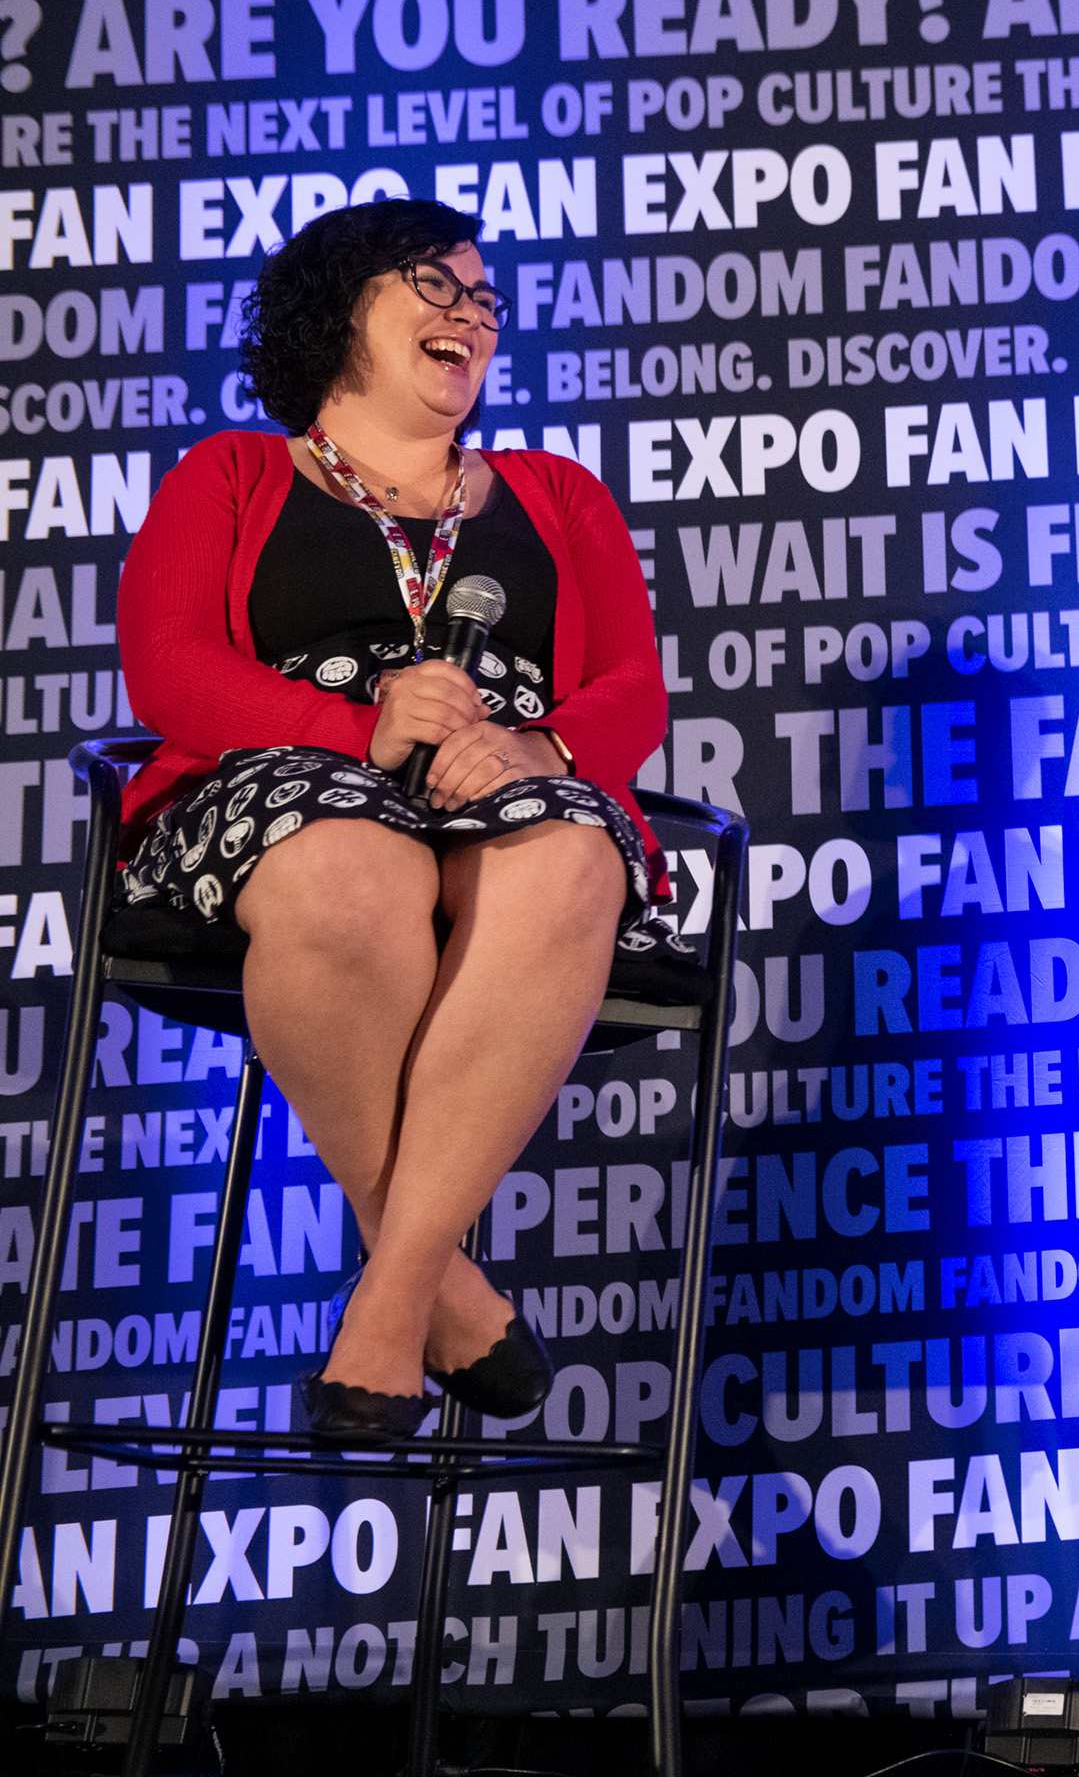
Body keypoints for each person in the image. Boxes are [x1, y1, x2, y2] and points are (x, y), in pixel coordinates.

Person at [116, 199, 681, 1442]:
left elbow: (633, 685)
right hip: (287, 782)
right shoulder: (232, 473)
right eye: (432, 284)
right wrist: (354, 728)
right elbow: (163, 667)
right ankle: (438, 1288)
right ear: (339, 312)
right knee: (347, 869)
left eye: (483, 295)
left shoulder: (557, 493)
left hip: (513, 780)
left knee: (568, 848)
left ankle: (385, 1298)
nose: (469, 311)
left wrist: (542, 742)